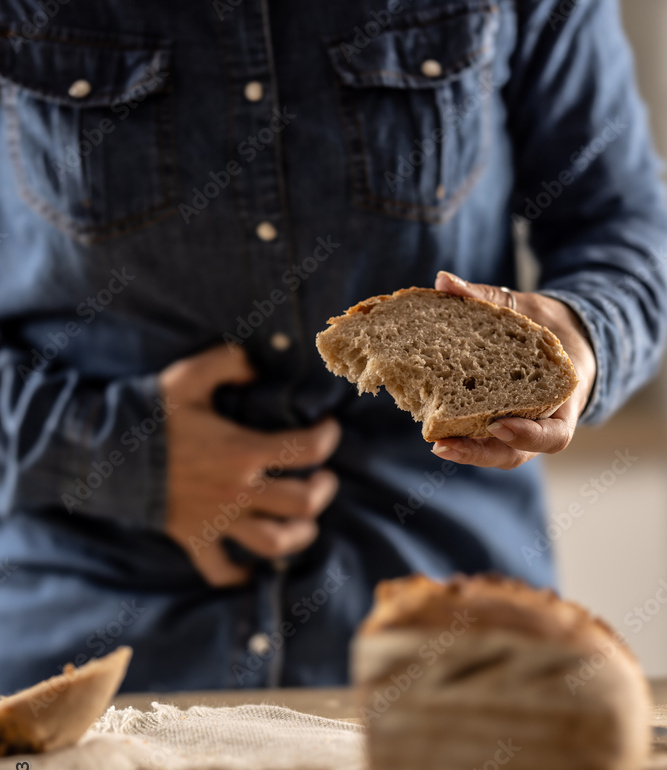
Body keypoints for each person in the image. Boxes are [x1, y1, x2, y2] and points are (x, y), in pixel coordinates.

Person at [0, 0, 664, 693]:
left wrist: (581, 338)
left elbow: (625, 229)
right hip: (81, 656)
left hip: (456, 654)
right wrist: (107, 451)